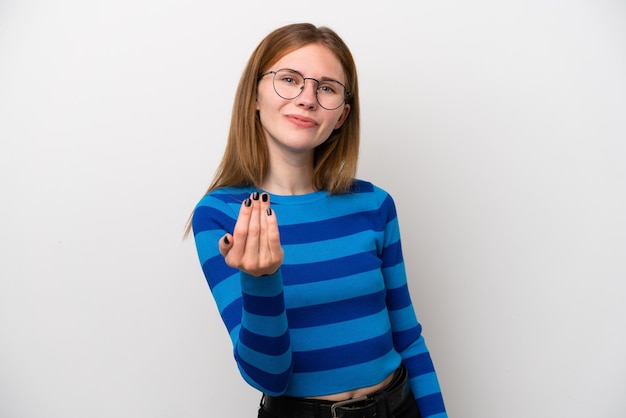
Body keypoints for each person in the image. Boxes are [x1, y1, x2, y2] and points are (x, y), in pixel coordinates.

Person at [188, 22, 448, 418]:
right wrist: (262, 280)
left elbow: (408, 339)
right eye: (289, 80)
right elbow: (269, 376)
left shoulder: (374, 205)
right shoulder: (220, 215)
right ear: (254, 97)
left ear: (342, 115)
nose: (307, 98)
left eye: (326, 88)